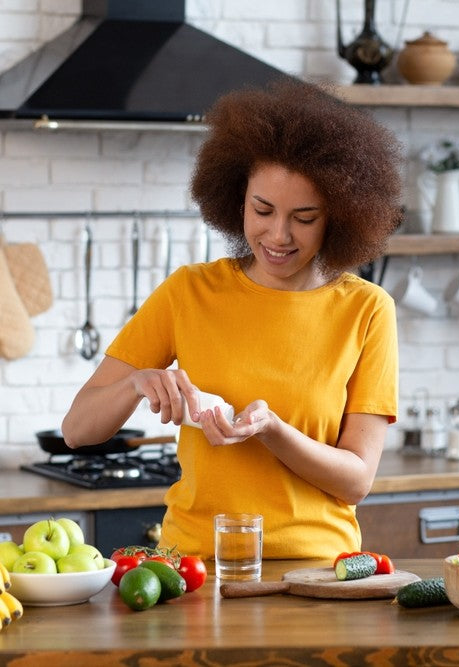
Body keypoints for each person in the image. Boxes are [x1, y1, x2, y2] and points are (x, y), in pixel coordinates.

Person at [62, 78, 403, 561]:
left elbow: (356, 481)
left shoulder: (366, 310)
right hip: (196, 565)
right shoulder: (189, 291)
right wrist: (136, 384)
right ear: (236, 199)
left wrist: (273, 431)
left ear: (339, 217)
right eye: (262, 209)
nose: (278, 235)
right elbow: (78, 430)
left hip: (317, 572)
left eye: (304, 217)